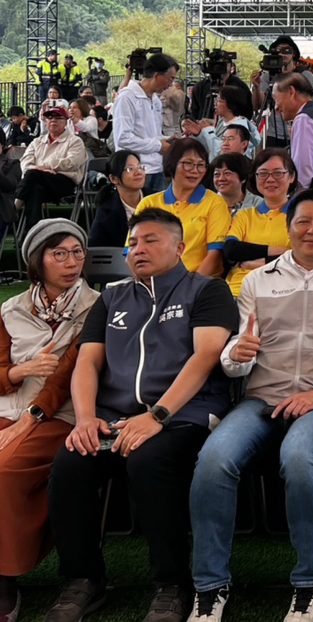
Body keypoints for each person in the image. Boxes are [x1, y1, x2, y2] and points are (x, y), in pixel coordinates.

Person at [45, 208, 236, 622]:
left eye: (151, 240)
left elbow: (205, 357)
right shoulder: (112, 296)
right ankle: (83, 579)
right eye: (132, 243)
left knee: (149, 462)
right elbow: (87, 362)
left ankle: (172, 583)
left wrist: (158, 416)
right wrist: (84, 419)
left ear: (180, 247)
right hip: (115, 417)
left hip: (185, 416)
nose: (138, 250)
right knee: (71, 462)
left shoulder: (207, 291)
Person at [189, 189, 313, 622]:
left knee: (300, 457)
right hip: (261, 398)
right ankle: (209, 586)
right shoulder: (258, 280)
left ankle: (311, 584)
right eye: (303, 221)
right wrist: (236, 355)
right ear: (288, 227)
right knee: (213, 459)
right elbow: (234, 356)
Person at [0, 220, 99, 622]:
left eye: (77, 252)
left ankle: (5, 576)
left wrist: (29, 419)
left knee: (5, 468)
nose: (71, 262)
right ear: (37, 261)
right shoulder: (11, 309)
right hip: (9, 409)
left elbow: (67, 375)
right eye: (59, 253)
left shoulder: (97, 307)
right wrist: (17, 372)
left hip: (60, 415)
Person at [135, 138, 231, 277]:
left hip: (199, 283)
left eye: (200, 165)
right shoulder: (148, 203)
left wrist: (188, 286)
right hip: (154, 281)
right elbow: (132, 251)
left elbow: (215, 255)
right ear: (172, 164)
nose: (195, 171)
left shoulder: (215, 203)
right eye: (188, 164)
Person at [223, 149, 298, 296]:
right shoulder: (245, 216)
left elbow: (302, 258)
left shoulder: (300, 217)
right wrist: (278, 251)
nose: (270, 179)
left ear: (291, 176)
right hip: (238, 291)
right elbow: (231, 249)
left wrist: (260, 262)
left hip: (283, 293)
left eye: (278, 173)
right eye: (263, 173)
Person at [113, 52, 178, 195]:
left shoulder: (155, 100)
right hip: (135, 170)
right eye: (170, 78)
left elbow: (151, 135)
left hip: (156, 167)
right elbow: (123, 138)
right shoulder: (127, 97)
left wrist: (167, 140)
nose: (171, 84)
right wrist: (159, 146)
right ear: (157, 76)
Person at [15, 107, 86, 232]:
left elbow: (72, 162)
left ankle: (14, 206)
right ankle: (33, 232)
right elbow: (25, 162)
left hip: (63, 182)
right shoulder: (37, 141)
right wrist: (41, 170)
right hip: (38, 181)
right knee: (35, 190)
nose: (53, 120)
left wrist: (43, 167)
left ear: (66, 122)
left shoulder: (75, 141)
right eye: (49, 117)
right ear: (45, 121)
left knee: (32, 174)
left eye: (58, 118)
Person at [252, 36, 313, 148]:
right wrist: (256, 87)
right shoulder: (268, 76)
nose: (282, 54)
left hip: (299, 130)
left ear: (294, 54)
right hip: (273, 133)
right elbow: (259, 105)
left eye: (287, 50)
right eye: (278, 50)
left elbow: (310, 103)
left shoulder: (304, 75)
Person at [89, 150, 147, 247]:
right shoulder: (106, 209)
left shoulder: (156, 198)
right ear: (113, 179)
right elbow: (96, 246)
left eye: (140, 167)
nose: (139, 172)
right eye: (130, 169)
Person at [187, 85, 261, 160]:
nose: (215, 103)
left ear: (231, 105)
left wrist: (207, 130)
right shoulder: (223, 121)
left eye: (219, 100)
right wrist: (199, 133)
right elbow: (211, 147)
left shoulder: (240, 126)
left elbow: (222, 151)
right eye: (216, 99)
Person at [211, 152, 260, 217]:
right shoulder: (207, 204)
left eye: (227, 173)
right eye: (217, 174)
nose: (221, 178)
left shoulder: (258, 204)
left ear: (243, 178)